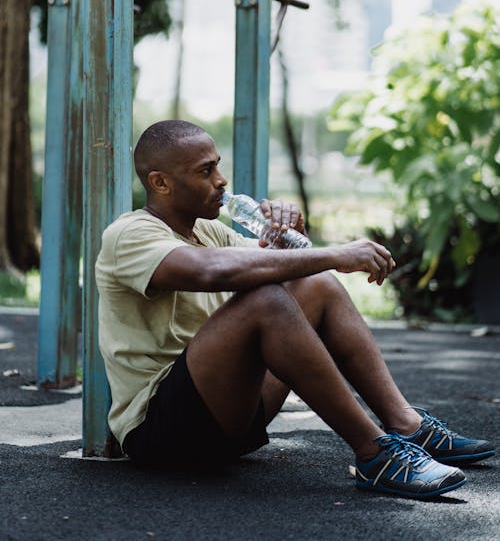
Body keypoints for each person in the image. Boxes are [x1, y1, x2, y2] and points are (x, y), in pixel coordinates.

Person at [96, 120, 494, 499]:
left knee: (314, 284)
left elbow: (281, 263)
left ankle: (407, 425)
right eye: (205, 171)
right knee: (265, 301)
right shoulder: (130, 234)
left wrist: (293, 233)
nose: (221, 180)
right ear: (160, 182)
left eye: (218, 166)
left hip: (229, 415)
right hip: (163, 432)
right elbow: (210, 271)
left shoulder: (208, 230)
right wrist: (335, 253)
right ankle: (376, 454)